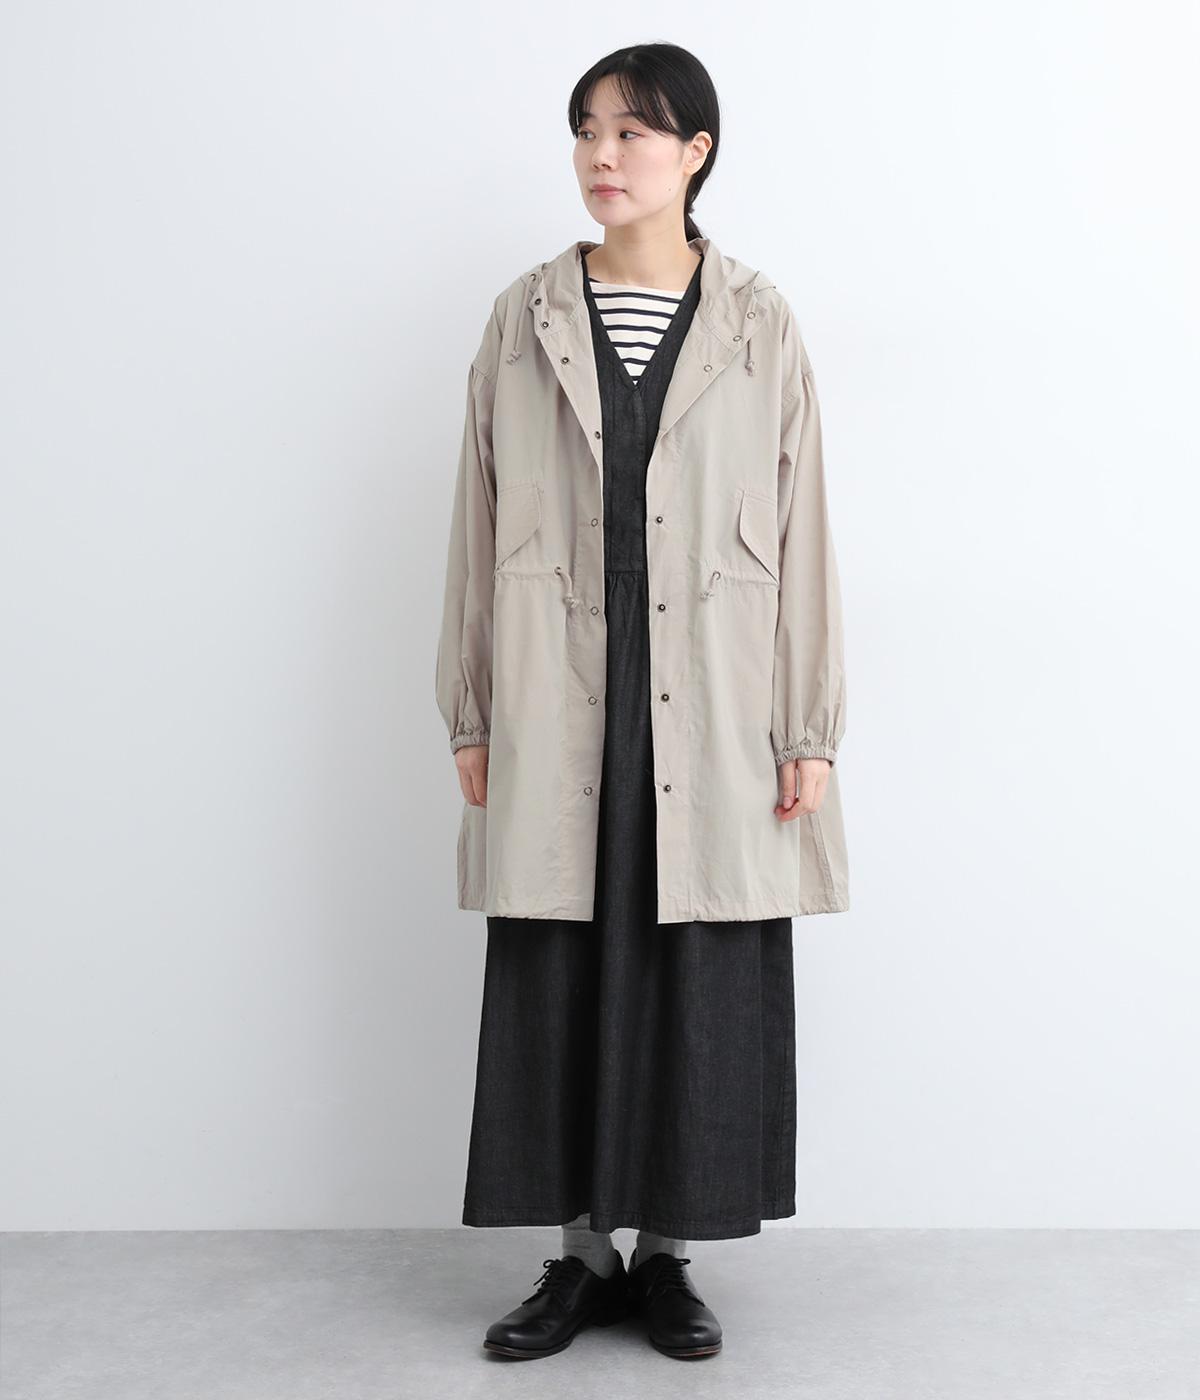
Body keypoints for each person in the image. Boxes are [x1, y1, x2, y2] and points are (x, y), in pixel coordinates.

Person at [434, 42, 850, 1361]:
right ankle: (577, 1259)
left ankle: (668, 1256)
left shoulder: (757, 320)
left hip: (715, 696)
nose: (602, 157)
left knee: (692, 968)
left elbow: (802, 527)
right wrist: (470, 708)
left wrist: (809, 727)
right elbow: (475, 520)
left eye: (633, 133)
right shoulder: (524, 318)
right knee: (559, 965)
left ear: (696, 152)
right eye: (587, 131)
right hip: (555, 689)